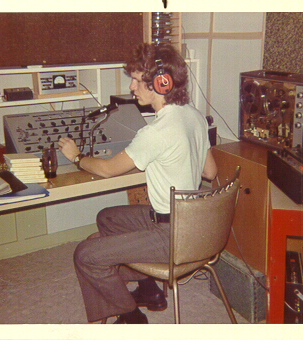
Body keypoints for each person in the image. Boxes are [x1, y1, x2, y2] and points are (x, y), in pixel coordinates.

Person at [58, 42, 218, 324]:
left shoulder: (155, 132)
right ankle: (147, 288)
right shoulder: (193, 115)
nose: (131, 87)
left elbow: (107, 170)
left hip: (172, 235)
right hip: (193, 225)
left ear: (161, 83)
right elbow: (210, 171)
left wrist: (76, 156)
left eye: (136, 79)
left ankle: (131, 314)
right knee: (107, 218)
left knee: (86, 254)